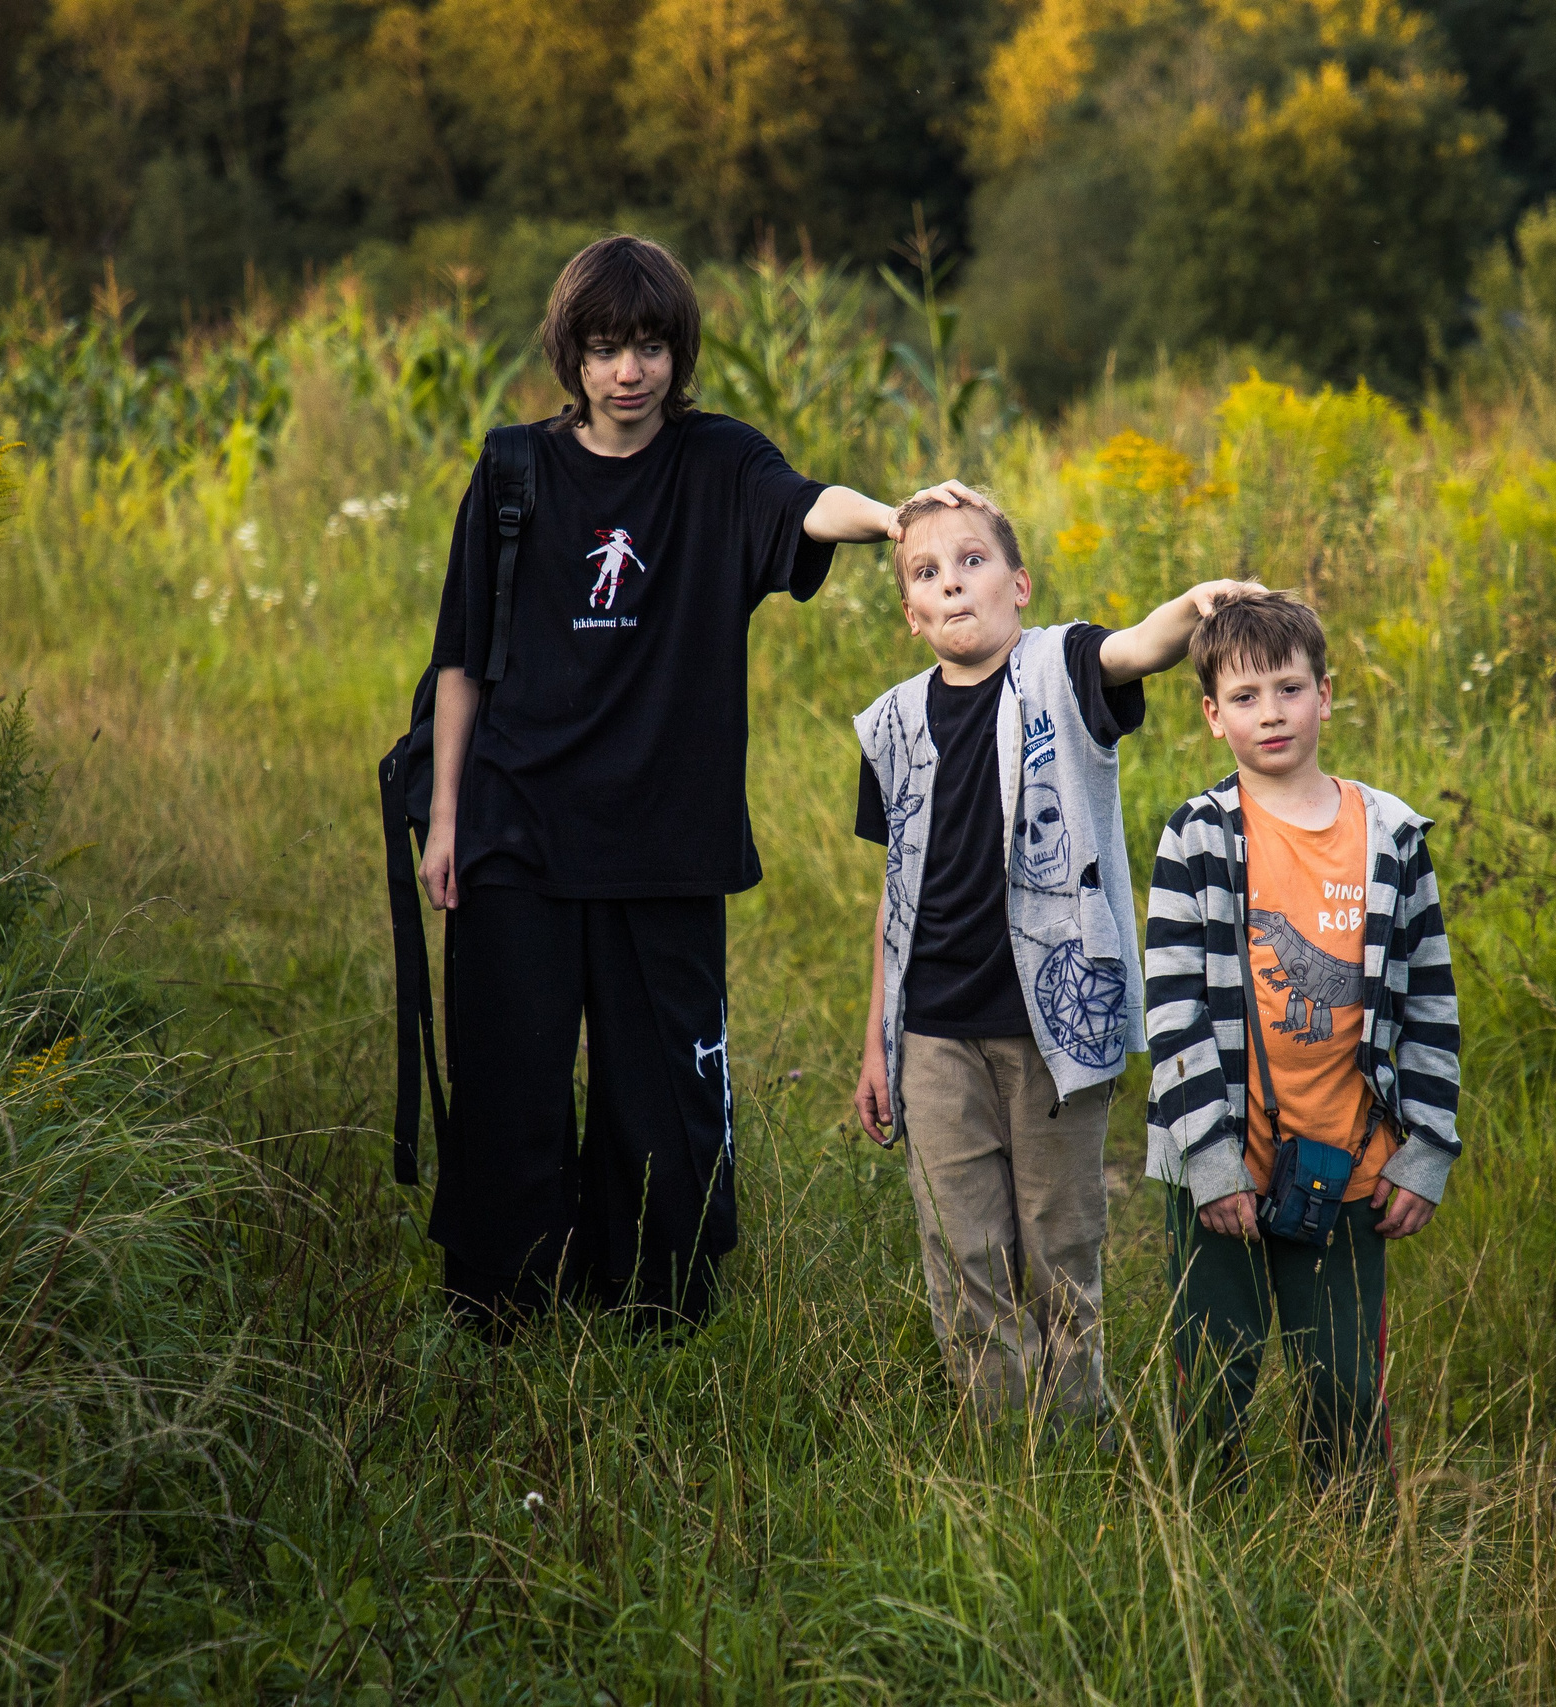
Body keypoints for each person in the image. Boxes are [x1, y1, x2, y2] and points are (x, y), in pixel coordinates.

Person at [419, 234, 988, 1331]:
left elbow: (804, 504)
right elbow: (461, 658)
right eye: (603, 349)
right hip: (516, 825)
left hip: (664, 838)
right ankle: (503, 1307)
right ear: (571, 356)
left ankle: (656, 1303)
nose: (627, 371)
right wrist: (446, 819)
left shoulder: (718, 462)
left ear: (678, 352)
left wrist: (898, 517)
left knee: (661, 1090)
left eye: (648, 346)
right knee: (508, 1082)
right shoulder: (512, 471)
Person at [849, 491, 1254, 1416]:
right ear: (911, 614)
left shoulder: (1062, 671)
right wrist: (878, 1038)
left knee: (1057, 1240)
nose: (953, 583)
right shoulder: (891, 725)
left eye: (974, 561)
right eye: (927, 573)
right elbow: (893, 893)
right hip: (934, 1030)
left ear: (1020, 585)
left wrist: (1195, 606)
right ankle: (1002, 1445)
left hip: (1055, 1027)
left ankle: (1073, 1437)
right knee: (964, 1249)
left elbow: (1135, 648)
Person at [1143, 589, 1461, 1480]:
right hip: (1223, 1163)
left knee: (1347, 1387)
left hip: (1353, 1164)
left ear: (1325, 693)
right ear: (1212, 715)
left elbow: (1431, 1000)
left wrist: (1428, 1149)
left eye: (1289, 688)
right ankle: (1203, 1532)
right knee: (1214, 1379)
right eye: (1245, 696)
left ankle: (1352, 1539)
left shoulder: (1392, 837)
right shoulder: (1196, 838)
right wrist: (1210, 1162)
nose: (1272, 712)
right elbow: (1171, 1010)